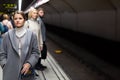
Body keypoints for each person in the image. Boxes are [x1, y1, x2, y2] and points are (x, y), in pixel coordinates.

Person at [0, 11, 39, 80]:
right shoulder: (7, 35)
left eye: (20, 18)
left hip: (26, 71)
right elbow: (2, 53)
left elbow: (35, 52)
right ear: (13, 20)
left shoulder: (32, 35)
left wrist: (29, 63)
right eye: (15, 19)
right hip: (10, 72)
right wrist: (5, 65)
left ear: (24, 20)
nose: (18, 20)